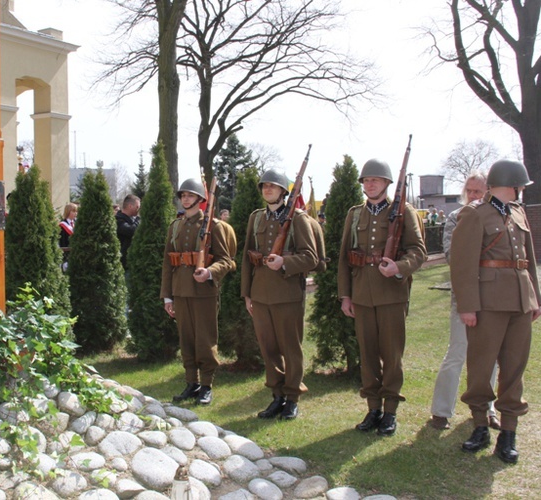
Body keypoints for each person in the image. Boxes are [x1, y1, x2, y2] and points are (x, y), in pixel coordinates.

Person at [451, 160, 541, 464]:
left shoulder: (518, 212)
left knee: (515, 367)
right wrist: (467, 306)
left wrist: (535, 298)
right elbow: (462, 264)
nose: (520, 191)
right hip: (488, 302)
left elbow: (528, 260)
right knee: (480, 366)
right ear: (509, 184)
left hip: (519, 300)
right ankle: (479, 425)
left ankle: (509, 432)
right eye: (519, 186)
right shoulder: (475, 213)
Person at [338, 159, 426, 436]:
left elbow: (418, 251)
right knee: (368, 354)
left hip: (391, 295)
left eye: (376, 179)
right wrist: (345, 296)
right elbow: (344, 258)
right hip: (362, 294)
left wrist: (399, 267)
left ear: (388, 183)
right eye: (366, 180)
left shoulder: (404, 212)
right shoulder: (354, 215)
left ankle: (389, 411)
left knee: (391, 355)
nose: (370, 183)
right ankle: (373, 408)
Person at [241, 170, 319, 420]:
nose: (267, 190)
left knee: (290, 348)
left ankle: (292, 397)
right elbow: (246, 258)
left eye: (273, 187)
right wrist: (247, 293)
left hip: (287, 295)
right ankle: (277, 396)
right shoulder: (256, 218)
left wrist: (284, 262)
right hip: (260, 294)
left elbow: (311, 257)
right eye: (264, 186)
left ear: (284, 191)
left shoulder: (297, 218)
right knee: (268, 349)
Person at [429, 173, 500, 431]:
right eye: (469, 191)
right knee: (457, 352)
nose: (473, 196)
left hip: (493, 296)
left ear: (488, 192)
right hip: (465, 295)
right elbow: (452, 255)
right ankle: (441, 411)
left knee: (489, 355)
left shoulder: (496, 218)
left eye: (478, 192)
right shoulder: (454, 218)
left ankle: (487, 408)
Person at [161, 178, 237, 406]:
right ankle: (191, 382)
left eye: (190, 195)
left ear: (201, 199)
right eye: (183, 195)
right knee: (186, 340)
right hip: (181, 291)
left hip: (204, 291)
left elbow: (227, 261)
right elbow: (167, 263)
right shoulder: (175, 226)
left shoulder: (214, 226)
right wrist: (167, 296)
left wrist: (210, 272)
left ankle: (206, 385)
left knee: (205, 340)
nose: (186, 198)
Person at [115, 194, 141, 270]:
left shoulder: (132, 220)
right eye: (137, 207)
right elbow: (132, 231)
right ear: (130, 206)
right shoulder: (118, 220)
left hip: (134, 263)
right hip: (123, 264)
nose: (138, 209)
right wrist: (138, 219)